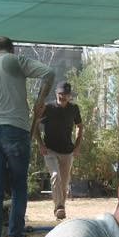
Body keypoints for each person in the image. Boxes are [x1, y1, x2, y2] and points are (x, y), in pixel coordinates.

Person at [0, 37, 55, 237]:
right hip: (14, 129)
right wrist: (40, 102)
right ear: (11, 49)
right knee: (18, 187)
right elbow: (48, 73)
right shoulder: (14, 60)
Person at [37, 81, 83, 221]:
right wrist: (41, 145)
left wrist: (77, 146)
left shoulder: (74, 109)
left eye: (66, 94)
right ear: (56, 93)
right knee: (55, 176)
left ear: (70, 96)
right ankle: (59, 208)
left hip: (67, 151)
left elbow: (79, 126)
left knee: (64, 182)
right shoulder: (48, 108)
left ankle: (61, 207)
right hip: (50, 150)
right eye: (61, 94)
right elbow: (35, 126)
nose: (63, 97)